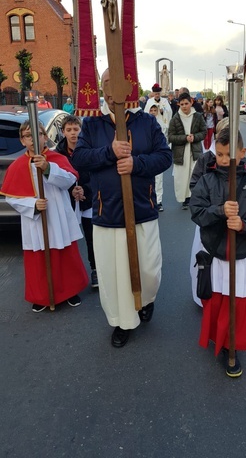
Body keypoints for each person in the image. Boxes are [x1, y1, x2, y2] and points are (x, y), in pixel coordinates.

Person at [72, 68, 172, 348]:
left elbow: (164, 157)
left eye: (115, 82)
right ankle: (122, 321)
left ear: (128, 87)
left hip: (143, 208)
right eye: (106, 83)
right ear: (102, 88)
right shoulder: (92, 123)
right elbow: (79, 158)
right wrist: (110, 152)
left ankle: (147, 298)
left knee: (150, 269)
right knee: (114, 274)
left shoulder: (145, 122)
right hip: (108, 212)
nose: (110, 88)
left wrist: (136, 164)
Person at [190, 127, 246, 377]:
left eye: (229, 155)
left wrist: (245, 225)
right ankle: (221, 339)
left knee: (239, 302)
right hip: (217, 252)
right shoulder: (207, 180)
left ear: (242, 152)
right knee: (218, 301)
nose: (224, 160)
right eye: (220, 154)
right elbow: (197, 211)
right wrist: (219, 211)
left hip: (243, 254)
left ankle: (233, 344)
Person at [0, 120, 88, 312]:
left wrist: (48, 169)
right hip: (35, 220)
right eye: (28, 136)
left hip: (57, 215)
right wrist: (32, 204)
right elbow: (12, 198)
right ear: (22, 141)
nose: (33, 139)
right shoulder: (17, 166)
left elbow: (70, 180)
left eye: (37, 134)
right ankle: (41, 296)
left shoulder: (56, 158)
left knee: (65, 253)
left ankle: (70, 291)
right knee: (38, 258)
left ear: (45, 137)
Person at [56, 115, 98, 288]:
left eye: (76, 129)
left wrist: (85, 189)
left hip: (88, 200)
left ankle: (95, 270)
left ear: (81, 131)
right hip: (68, 201)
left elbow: (96, 175)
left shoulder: (89, 150)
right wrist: (71, 189)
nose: (73, 133)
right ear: (63, 132)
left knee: (91, 237)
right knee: (67, 239)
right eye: (69, 130)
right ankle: (69, 275)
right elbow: (55, 179)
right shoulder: (57, 154)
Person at [168, 92, 207, 209]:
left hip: (194, 151)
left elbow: (203, 132)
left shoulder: (198, 116)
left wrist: (194, 137)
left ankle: (193, 198)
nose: (184, 106)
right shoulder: (175, 118)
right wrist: (185, 138)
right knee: (182, 177)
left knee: (194, 175)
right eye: (182, 104)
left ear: (191, 103)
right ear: (179, 104)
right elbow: (170, 137)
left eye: (186, 103)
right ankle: (184, 199)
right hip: (180, 153)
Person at [149, 104, 168, 212]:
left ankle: (159, 201)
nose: (153, 112)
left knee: (159, 179)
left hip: (157, 154)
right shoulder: (144, 124)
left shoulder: (161, 124)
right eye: (151, 110)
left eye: (155, 110)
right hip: (148, 155)